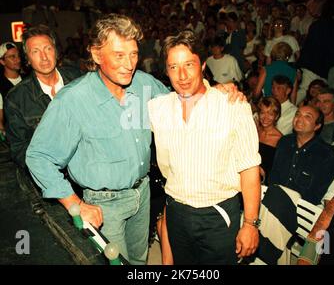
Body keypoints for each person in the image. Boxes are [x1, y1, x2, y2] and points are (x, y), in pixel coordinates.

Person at [25, 14, 242, 265]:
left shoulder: (143, 84)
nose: (129, 64)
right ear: (96, 55)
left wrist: (215, 89)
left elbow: (182, 97)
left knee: (138, 262)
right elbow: (38, 156)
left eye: (134, 54)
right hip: (104, 206)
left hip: (143, 194)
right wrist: (75, 205)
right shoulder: (73, 100)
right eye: (119, 55)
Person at [148, 30, 261, 265]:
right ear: (166, 71)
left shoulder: (232, 106)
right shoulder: (157, 108)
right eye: (173, 67)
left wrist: (250, 224)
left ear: (202, 64)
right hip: (177, 212)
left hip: (217, 215)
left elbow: (249, 169)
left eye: (189, 64)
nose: (182, 75)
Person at [4, 25, 82, 168]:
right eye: (35, 51)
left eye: (48, 49)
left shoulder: (79, 80)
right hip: (50, 177)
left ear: (56, 52)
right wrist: (50, 175)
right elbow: (19, 150)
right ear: (27, 59)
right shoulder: (16, 99)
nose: (44, 57)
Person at [269, 105, 334, 205]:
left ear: (317, 126)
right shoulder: (285, 142)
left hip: (302, 209)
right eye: (298, 114)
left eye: (307, 117)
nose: (299, 119)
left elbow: (318, 192)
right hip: (274, 200)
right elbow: (274, 175)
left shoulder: (326, 154)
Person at [257, 97, 282, 184]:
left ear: (276, 116)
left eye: (270, 114)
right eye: (262, 113)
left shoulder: (280, 139)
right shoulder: (255, 131)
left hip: (264, 182)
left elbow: (277, 169)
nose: (265, 117)